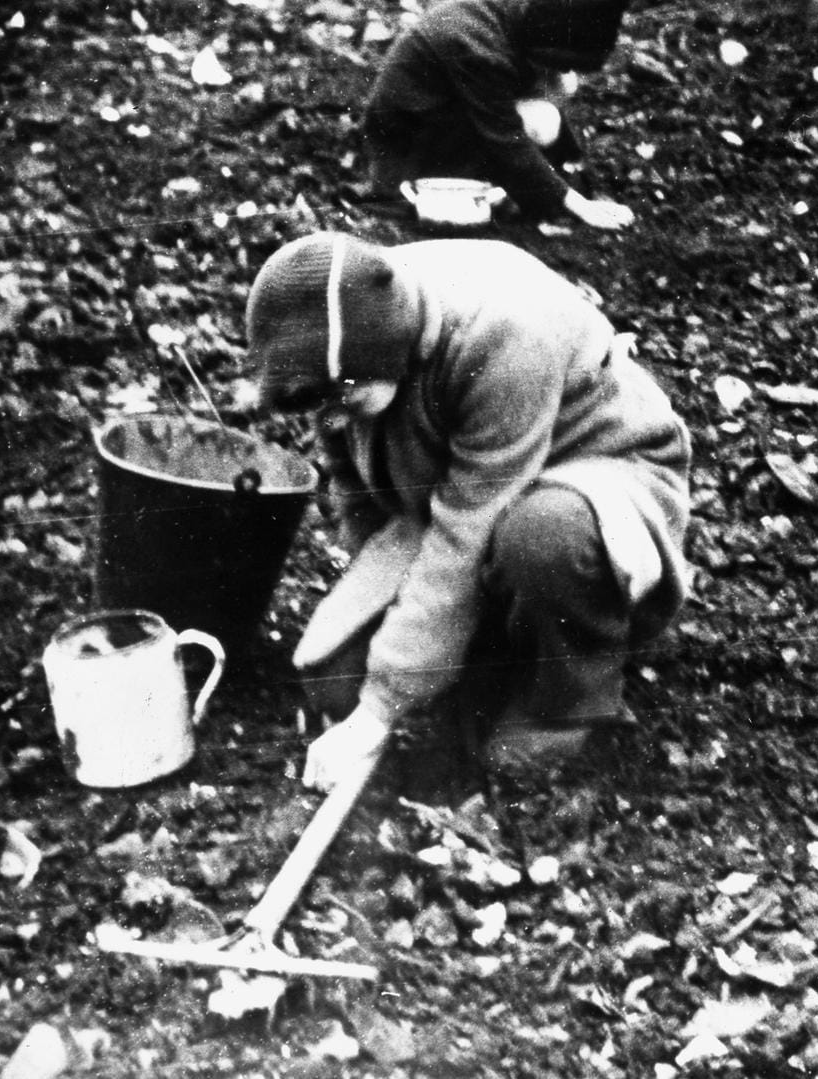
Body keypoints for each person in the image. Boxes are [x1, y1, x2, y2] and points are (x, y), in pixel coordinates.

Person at [244, 231, 690, 790]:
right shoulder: (344, 336)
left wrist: (381, 708)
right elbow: (359, 499)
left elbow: (468, 528)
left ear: (388, 356)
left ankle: (567, 696)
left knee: (542, 537)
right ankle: (490, 646)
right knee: (335, 680)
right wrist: (385, 640)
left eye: (343, 403)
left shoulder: (504, 331)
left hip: (595, 474)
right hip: (458, 490)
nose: (331, 422)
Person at [362, 0, 635, 230]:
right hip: (407, 145)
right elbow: (506, 136)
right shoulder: (478, 47)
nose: (562, 70)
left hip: (446, 112)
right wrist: (579, 204)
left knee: (558, 93)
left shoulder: (520, 17)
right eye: (560, 62)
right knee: (539, 122)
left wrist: (573, 173)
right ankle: (496, 185)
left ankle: (518, 184)